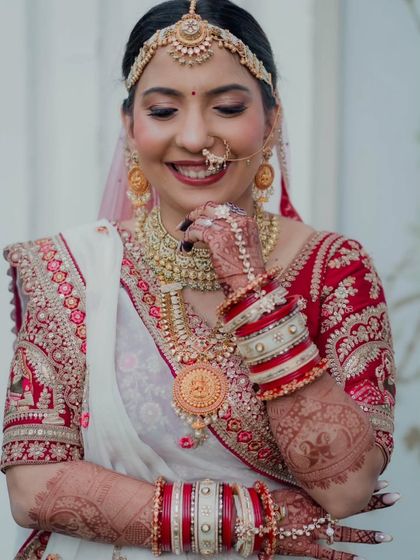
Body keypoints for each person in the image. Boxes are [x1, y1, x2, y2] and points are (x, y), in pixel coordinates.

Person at [2, 1, 398, 559]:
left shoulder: (334, 269)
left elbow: (347, 486)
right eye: (163, 111)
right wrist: (252, 520)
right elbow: (34, 489)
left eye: (228, 107)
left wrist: (250, 283)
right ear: (129, 126)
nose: (194, 137)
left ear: (272, 118)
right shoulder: (68, 270)